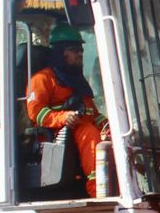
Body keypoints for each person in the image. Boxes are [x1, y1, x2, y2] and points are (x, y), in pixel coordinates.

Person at [26, 22, 109, 197]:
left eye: (81, 50)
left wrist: (109, 125)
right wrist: (63, 117)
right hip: (59, 135)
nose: (80, 54)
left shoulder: (76, 80)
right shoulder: (42, 79)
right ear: (62, 51)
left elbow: (91, 113)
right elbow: (36, 113)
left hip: (82, 128)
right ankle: (99, 192)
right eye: (75, 49)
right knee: (89, 133)